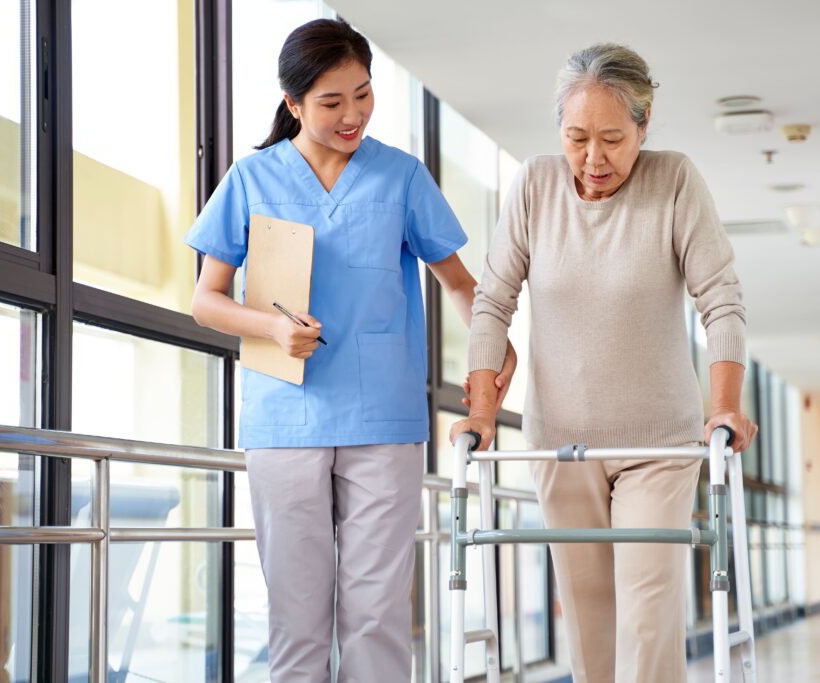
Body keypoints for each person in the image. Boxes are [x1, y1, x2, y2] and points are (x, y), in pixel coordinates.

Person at [185, 19, 515, 683]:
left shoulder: (401, 176)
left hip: (383, 421)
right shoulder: (252, 178)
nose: (352, 115)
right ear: (294, 105)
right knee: (297, 617)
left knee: (376, 614)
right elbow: (205, 300)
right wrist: (273, 328)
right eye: (332, 102)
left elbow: (460, 285)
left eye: (362, 95)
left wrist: (497, 348)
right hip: (285, 419)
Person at [450, 43, 758, 683]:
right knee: (590, 621)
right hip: (561, 442)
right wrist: (481, 412)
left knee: (648, 615)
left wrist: (725, 404)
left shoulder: (673, 180)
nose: (594, 159)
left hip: (659, 445)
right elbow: (492, 300)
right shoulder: (535, 185)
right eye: (577, 137)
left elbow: (720, 299)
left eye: (614, 139)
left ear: (645, 126)